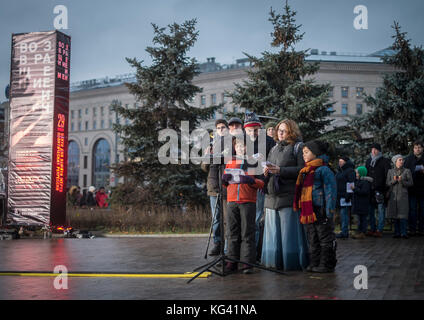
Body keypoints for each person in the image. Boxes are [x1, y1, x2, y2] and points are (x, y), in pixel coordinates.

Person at [261, 119, 308, 271]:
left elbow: (302, 170)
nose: (280, 133)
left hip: (288, 196)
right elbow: (269, 166)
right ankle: (274, 263)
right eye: (279, 130)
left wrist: (281, 170)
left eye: (284, 130)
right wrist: (266, 171)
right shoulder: (274, 148)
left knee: (289, 234)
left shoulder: (298, 147)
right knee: (273, 234)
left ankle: (291, 263)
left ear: (291, 132)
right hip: (271, 196)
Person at [222, 134, 264, 274]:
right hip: (232, 201)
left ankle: (247, 263)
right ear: (234, 148)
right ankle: (231, 262)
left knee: (247, 232)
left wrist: (251, 181)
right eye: (238, 146)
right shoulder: (230, 162)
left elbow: (262, 183)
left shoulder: (253, 162)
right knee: (232, 232)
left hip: (248, 201)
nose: (240, 148)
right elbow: (226, 185)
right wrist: (224, 180)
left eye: (243, 146)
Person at [293, 140, 337, 273]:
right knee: (312, 237)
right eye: (303, 153)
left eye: (306, 152)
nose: (304, 155)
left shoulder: (323, 169)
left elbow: (330, 191)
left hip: (320, 209)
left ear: (315, 153)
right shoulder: (305, 170)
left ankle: (326, 263)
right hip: (309, 210)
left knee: (324, 237)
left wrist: (328, 210)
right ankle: (314, 262)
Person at [243, 112, 275, 261]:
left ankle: (255, 253)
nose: (253, 132)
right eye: (250, 130)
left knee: (257, 220)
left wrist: (266, 172)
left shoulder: (268, 142)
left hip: (261, 185)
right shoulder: (240, 141)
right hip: (244, 187)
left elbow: (273, 161)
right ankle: (244, 253)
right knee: (245, 221)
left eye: (255, 129)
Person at [201, 119, 229, 255]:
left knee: (226, 219)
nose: (221, 130)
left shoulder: (231, 144)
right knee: (216, 219)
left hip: (227, 187)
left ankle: (227, 246)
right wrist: (207, 156)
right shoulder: (212, 145)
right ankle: (217, 243)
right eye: (218, 128)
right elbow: (204, 167)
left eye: (223, 127)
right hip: (213, 188)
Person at [365, 143, 391, 237]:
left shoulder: (384, 161)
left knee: (381, 210)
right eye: (372, 149)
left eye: (375, 149)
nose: (373, 151)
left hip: (381, 189)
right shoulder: (368, 161)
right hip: (370, 190)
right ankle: (372, 229)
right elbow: (366, 174)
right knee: (370, 211)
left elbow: (387, 175)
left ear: (379, 150)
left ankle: (379, 229)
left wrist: (386, 189)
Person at [386, 155, 413, 239]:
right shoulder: (390, 171)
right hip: (393, 197)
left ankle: (404, 233)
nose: (402, 161)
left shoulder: (407, 171)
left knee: (403, 215)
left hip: (403, 196)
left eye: (402, 160)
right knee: (395, 215)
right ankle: (396, 233)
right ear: (395, 162)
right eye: (400, 160)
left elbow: (411, 183)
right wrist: (394, 180)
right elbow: (387, 183)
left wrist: (402, 181)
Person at [404, 140, 424, 236]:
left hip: (423, 189)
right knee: (412, 209)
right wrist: (414, 170)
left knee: (423, 210)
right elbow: (405, 172)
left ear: (422, 148)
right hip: (412, 189)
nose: (417, 149)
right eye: (416, 148)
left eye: (419, 147)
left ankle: (421, 229)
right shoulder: (408, 159)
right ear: (413, 149)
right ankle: (412, 229)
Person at [335, 156, 356, 239]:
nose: (340, 162)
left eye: (342, 161)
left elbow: (351, 183)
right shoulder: (339, 172)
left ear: (346, 162)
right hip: (339, 196)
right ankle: (343, 231)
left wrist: (348, 195)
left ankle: (344, 232)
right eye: (339, 161)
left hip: (345, 197)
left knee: (344, 215)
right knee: (342, 214)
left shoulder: (350, 171)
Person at [351, 166, 373, 239]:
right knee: (359, 219)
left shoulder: (365, 182)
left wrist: (355, 189)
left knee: (363, 219)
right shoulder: (357, 181)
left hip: (363, 204)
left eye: (357, 173)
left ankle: (362, 232)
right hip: (358, 203)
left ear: (361, 173)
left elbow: (364, 192)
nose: (356, 174)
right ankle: (359, 231)